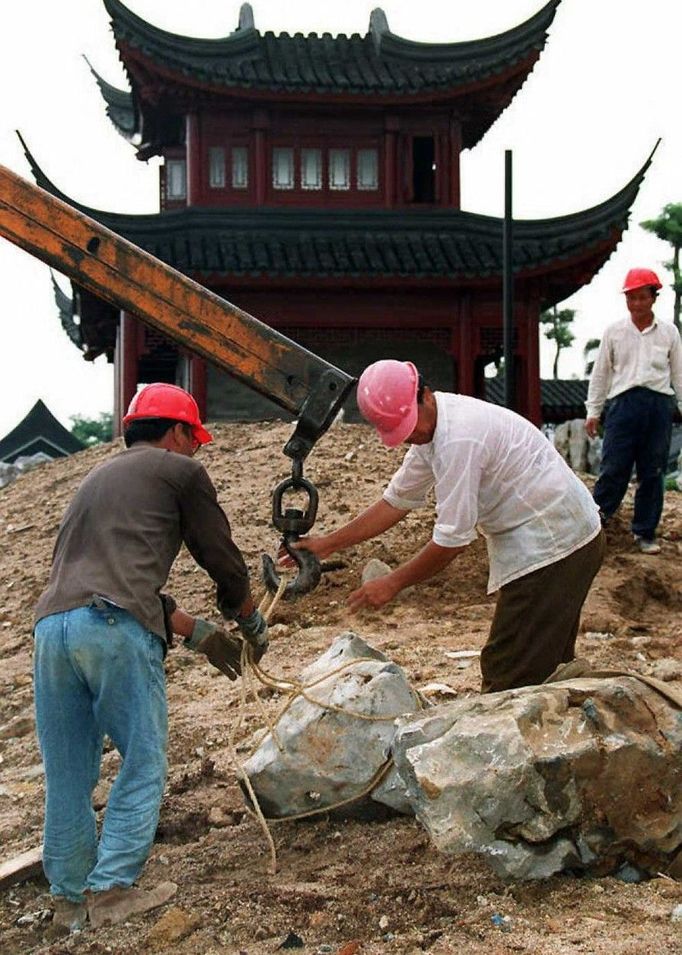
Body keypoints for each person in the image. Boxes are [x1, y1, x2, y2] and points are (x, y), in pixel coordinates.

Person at [33, 383, 268, 935]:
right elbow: (221, 557)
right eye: (194, 440)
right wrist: (248, 616)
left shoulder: (94, 480)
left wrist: (197, 634)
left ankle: (69, 901)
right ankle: (112, 890)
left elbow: (106, 581)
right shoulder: (179, 472)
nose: (196, 452)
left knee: (68, 774)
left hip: (51, 629)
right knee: (142, 761)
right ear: (177, 432)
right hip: (115, 628)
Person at [285, 359, 604, 695]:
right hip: (560, 540)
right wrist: (328, 543)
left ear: (424, 394)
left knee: (508, 671)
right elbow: (396, 501)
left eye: (409, 425)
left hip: (556, 544)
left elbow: (452, 541)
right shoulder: (432, 430)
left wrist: (393, 582)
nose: (410, 436)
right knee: (545, 666)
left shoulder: (459, 439)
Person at [585, 267, 682, 554]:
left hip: (658, 406)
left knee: (653, 471)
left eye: (642, 297)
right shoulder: (614, 332)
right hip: (622, 406)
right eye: (631, 298)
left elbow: (678, 374)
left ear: (653, 298)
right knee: (614, 467)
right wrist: (594, 410)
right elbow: (600, 373)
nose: (636, 303)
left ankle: (645, 532)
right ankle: (595, 524)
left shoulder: (669, 333)